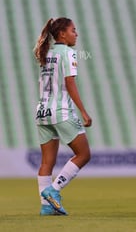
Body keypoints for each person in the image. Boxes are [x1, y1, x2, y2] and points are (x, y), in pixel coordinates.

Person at [33, 18, 92, 216]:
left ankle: (46, 206)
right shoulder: (68, 53)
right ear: (62, 34)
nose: (76, 34)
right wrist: (83, 111)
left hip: (42, 111)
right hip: (61, 111)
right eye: (73, 30)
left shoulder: (45, 53)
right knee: (84, 154)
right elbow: (69, 83)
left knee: (46, 162)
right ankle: (53, 191)